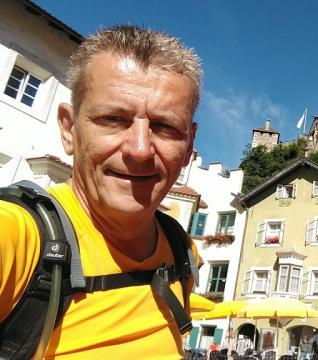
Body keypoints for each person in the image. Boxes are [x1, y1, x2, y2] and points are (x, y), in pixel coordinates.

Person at [0, 25, 201, 358]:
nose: (139, 150)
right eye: (113, 119)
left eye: (164, 126)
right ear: (69, 128)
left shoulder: (182, 251)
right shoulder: (17, 236)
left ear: (189, 144)